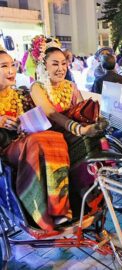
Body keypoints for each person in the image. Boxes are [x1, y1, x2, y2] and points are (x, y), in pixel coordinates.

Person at [28, 37, 108, 226]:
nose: (61, 68)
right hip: (50, 139)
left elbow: (81, 109)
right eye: (55, 64)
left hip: (74, 133)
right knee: (79, 143)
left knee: (100, 139)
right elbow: (52, 114)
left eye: (64, 63)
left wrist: (96, 120)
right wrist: (79, 129)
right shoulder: (37, 87)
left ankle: (96, 191)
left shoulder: (70, 86)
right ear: (44, 66)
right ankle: (66, 207)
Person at [0, 49, 74, 232]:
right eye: (4, 66)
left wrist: (21, 123)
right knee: (37, 142)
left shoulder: (20, 94)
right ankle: (38, 210)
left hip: (24, 139)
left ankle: (60, 209)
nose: (11, 71)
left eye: (12, 65)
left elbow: (30, 119)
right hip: (6, 149)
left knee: (55, 137)